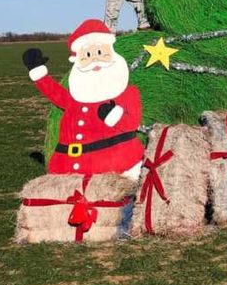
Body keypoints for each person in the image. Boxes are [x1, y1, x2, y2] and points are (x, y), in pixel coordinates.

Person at [22, 19, 145, 180]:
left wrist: (115, 117)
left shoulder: (127, 92)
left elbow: (132, 123)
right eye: (87, 54)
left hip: (115, 169)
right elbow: (56, 94)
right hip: (68, 168)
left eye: (100, 52)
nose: (95, 59)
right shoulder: (77, 96)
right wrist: (38, 73)